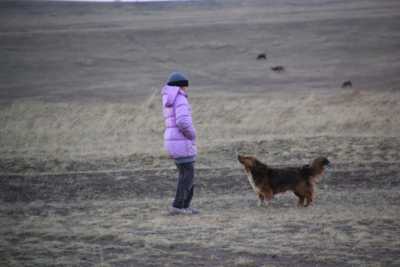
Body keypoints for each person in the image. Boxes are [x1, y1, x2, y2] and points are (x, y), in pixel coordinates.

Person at [161, 72, 199, 215]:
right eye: (185, 86)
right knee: (187, 175)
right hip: (181, 141)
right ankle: (179, 206)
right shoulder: (180, 98)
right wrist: (192, 134)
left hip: (174, 141)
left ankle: (184, 206)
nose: (186, 89)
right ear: (181, 85)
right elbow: (183, 121)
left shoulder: (169, 98)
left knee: (185, 174)